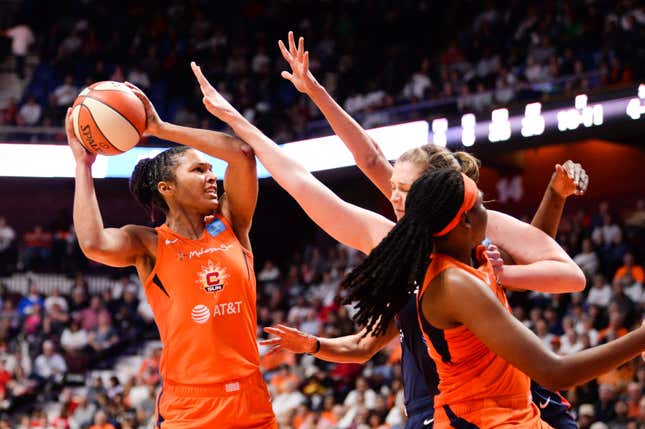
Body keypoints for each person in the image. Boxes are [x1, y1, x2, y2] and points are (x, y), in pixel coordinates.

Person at [191, 31, 586, 428]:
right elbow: (324, 173)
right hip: (441, 409)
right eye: (393, 188)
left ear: (437, 195)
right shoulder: (393, 243)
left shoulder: (476, 222)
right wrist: (241, 118)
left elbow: (565, 273)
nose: (392, 197)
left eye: (403, 190)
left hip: (517, 397)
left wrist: (504, 273)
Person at [340, 168, 645, 428]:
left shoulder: (472, 258)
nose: (488, 209)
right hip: (482, 419)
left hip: (510, 411)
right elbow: (555, 372)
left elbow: (531, 254)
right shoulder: (453, 284)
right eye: (481, 203)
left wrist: (554, 194)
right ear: (466, 222)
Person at [66, 82, 277, 427]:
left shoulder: (231, 223)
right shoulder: (148, 244)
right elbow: (93, 243)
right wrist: (83, 166)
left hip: (251, 399)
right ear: (167, 189)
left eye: (210, 170)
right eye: (198, 171)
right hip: (190, 406)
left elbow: (240, 153)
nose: (212, 178)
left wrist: (159, 128)